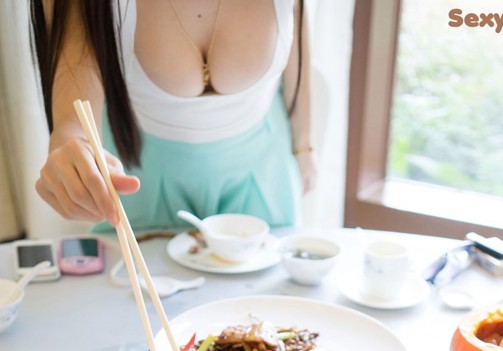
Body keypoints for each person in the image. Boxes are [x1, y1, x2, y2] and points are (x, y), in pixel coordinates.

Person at [30, 0, 316, 232]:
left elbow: (295, 27)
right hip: (143, 181)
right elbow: (74, 122)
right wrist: (71, 152)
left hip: (262, 175)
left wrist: (305, 145)